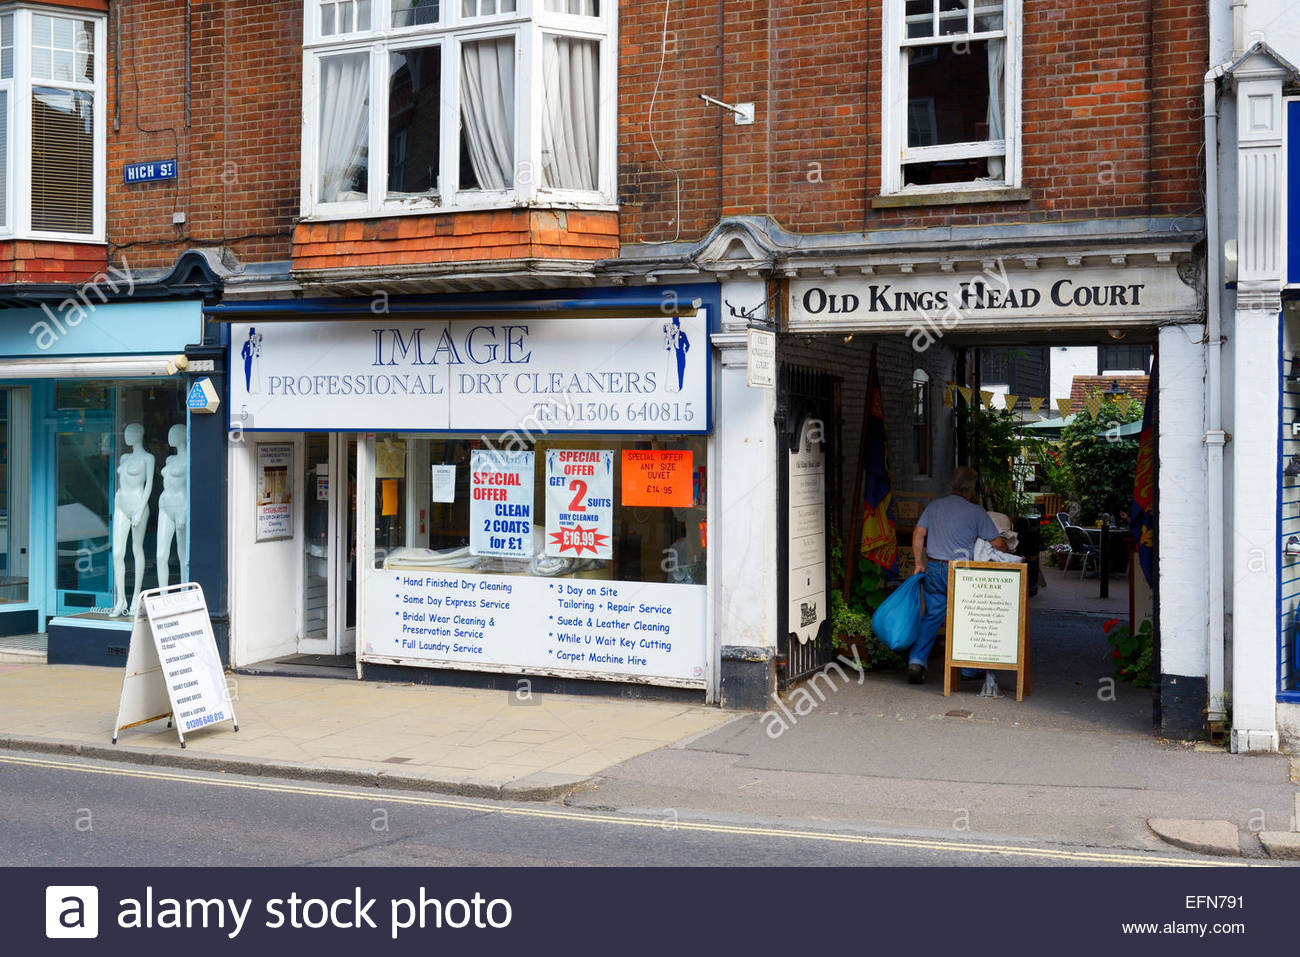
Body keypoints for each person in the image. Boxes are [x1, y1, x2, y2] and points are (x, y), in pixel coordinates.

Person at [907, 466, 1011, 684]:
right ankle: (969, 670)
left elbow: (919, 532)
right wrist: (1009, 552)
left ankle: (916, 661)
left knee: (932, 616)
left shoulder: (934, 506)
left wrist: (918, 563)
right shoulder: (976, 512)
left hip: (934, 567)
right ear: (970, 489)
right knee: (966, 617)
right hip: (962, 571)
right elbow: (997, 543)